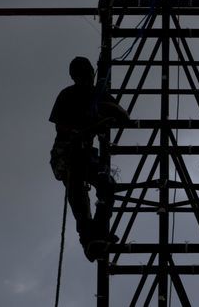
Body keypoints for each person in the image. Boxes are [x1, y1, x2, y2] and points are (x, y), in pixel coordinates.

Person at [49, 56, 129, 261]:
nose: (87, 79)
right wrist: (80, 129)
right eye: (82, 75)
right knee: (78, 194)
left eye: (88, 74)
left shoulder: (97, 95)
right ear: (75, 77)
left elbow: (123, 117)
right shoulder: (68, 95)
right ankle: (88, 238)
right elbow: (60, 125)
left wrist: (108, 111)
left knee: (107, 185)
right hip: (66, 153)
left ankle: (98, 232)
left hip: (85, 154)